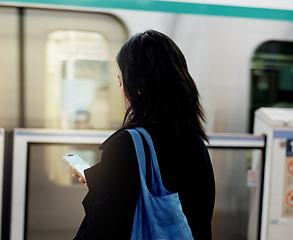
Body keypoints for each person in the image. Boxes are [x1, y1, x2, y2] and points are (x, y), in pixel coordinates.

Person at [72, 30, 215, 240]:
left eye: (121, 82)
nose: (122, 91)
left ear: (138, 86)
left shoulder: (126, 144)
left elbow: (104, 228)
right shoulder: (194, 140)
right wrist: (103, 177)